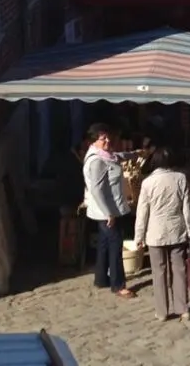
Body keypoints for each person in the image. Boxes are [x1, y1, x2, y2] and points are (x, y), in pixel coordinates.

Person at [134, 147, 190, 321]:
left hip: (155, 233)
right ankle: (183, 308)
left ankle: (162, 312)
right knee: (179, 270)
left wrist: (139, 236)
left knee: (158, 272)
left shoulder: (147, 183)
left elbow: (142, 213)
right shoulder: (180, 178)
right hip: (177, 230)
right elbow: (186, 208)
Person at [82, 123, 135, 298]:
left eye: (107, 136)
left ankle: (101, 279)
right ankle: (118, 285)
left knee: (104, 244)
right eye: (102, 138)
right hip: (107, 211)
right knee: (115, 245)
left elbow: (116, 157)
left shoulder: (104, 155)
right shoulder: (96, 161)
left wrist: (134, 154)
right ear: (93, 141)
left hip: (108, 209)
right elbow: (96, 189)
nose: (107, 140)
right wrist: (108, 213)